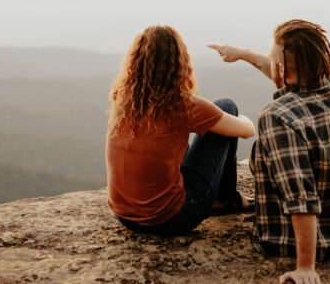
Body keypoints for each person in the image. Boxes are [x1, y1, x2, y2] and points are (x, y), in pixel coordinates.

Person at [209, 19, 330, 284]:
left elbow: (301, 196)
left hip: (297, 240)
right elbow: (286, 74)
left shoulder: (278, 116)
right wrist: (242, 54)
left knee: (263, 149)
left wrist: (306, 267)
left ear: (282, 68)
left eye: (273, 58)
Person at [106, 25, 255, 236]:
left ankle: (222, 199)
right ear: (178, 61)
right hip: (170, 219)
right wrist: (239, 119)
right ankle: (225, 199)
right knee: (226, 105)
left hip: (124, 216)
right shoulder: (183, 105)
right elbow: (248, 131)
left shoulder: (122, 97)